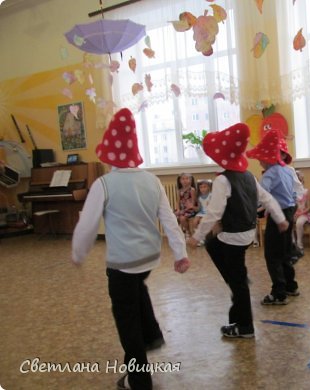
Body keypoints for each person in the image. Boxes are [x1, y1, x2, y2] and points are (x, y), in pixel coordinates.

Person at [71, 108, 190, 390]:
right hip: (149, 258)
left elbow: (87, 226)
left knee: (126, 319)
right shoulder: (152, 180)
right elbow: (169, 219)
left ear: (109, 153)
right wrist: (180, 252)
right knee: (138, 289)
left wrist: (78, 253)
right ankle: (151, 334)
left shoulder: (104, 184)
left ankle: (139, 380)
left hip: (122, 263)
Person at [187, 123, 289, 338]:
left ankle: (244, 327)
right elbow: (267, 198)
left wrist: (196, 237)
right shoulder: (249, 176)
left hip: (234, 235)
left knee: (237, 282)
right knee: (214, 244)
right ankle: (237, 279)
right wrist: (280, 219)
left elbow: (214, 213)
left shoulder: (223, 180)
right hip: (247, 234)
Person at [246, 129, 299, 305]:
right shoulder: (288, 171)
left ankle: (279, 292)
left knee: (272, 254)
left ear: (269, 157)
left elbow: (261, 194)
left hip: (278, 216)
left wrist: (251, 208)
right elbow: (293, 192)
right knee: (284, 252)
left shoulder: (269, 174)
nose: (259, 161)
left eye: (261, 158)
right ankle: (291, 285)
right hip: (290, 212)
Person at [294, 170, 310, 253]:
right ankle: (292, 242)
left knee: (299, 223)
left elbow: (309, 207)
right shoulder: (291, 192)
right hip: (294, 213)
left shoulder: (306, 191)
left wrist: (301, 213)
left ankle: (299, 243)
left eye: (299, 180)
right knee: (288, 221)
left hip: (304, 214)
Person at [175, 172, 196, 238]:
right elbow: (177, 202)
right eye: (183, 179)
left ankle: (188, 231)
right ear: (180, 181)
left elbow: (193, 202)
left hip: (190, 210)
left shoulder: (192, 190)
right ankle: (181, 233)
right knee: (174, 217)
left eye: (187, 178)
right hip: (182, 210)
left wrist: (187, 209)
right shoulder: (179, 191)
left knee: (182, 218)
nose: (185, 180)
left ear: (190, 180)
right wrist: (178, 209)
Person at [192, 179, 212, 246]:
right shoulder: (199, 197)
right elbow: (199, 208)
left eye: (204, 187)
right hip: (202, 212)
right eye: (201, 187)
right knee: (194, 221)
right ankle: (198, 237)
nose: (203, 189)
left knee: (201, 221)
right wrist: (193, 207)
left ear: (209, 187)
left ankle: (203, 239)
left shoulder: (210, 196)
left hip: (208, 212)